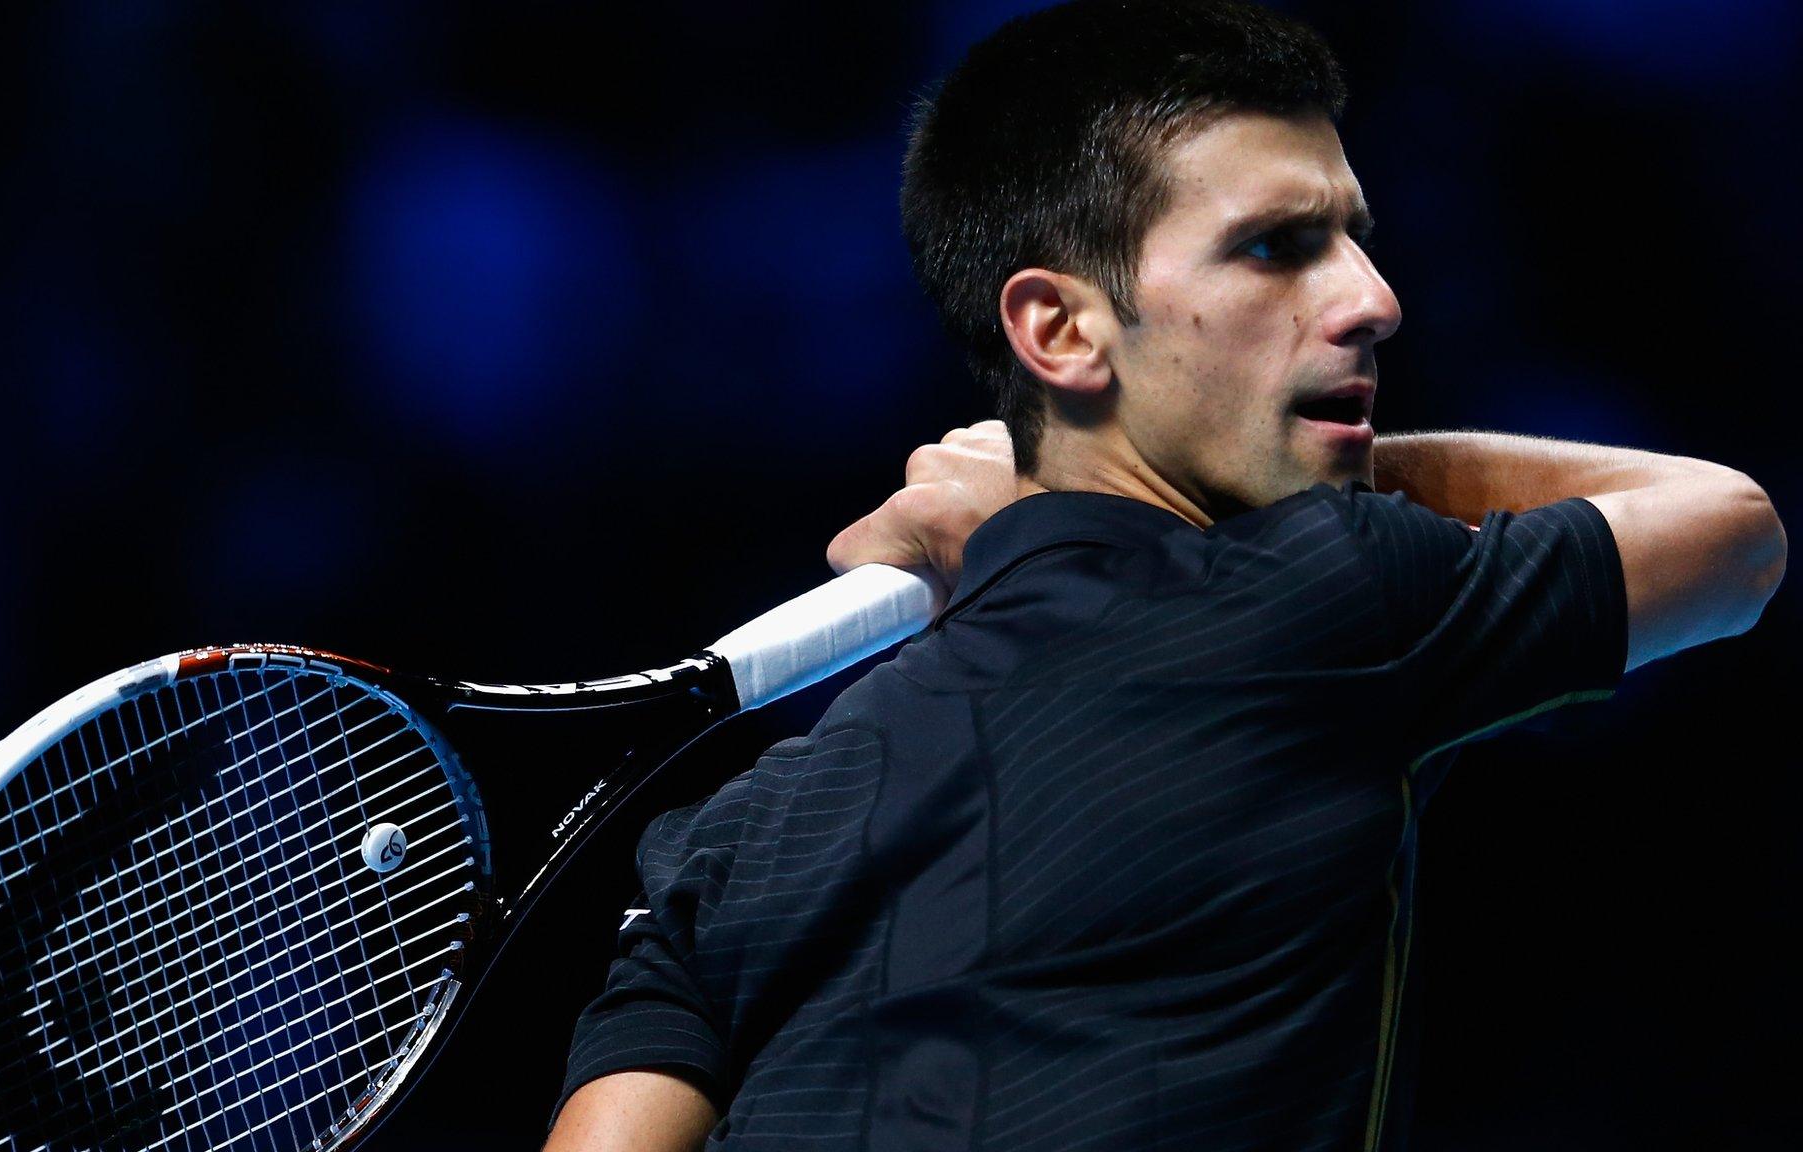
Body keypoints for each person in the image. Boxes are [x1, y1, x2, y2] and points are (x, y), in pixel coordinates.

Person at [543, 1, 1787, 1148]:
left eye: (1354, 240)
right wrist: (1099, 502)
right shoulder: (1322, 593)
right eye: (1276, 249)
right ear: (1061, 332)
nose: (1373, 300)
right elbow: (1728, 533)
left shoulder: (732, 836)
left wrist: (1046, 503)